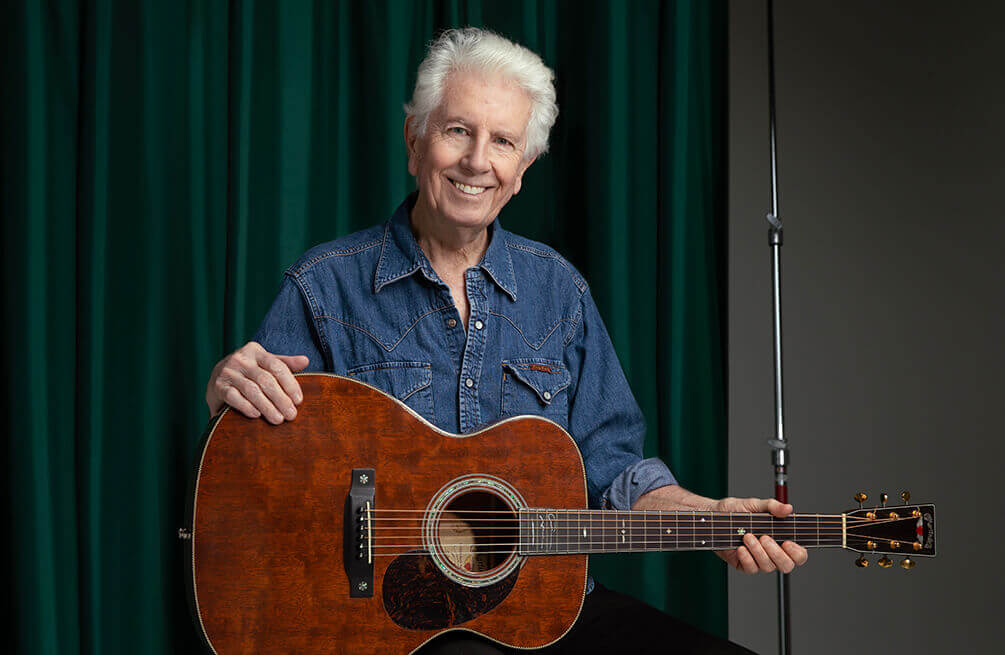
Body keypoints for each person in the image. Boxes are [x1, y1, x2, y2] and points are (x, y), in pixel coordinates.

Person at [204, 27, 807, 654]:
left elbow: (614, 470)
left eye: (503, 142)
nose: (476, 161)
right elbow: (247, 463)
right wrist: (225, 391)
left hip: (542, 612)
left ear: (522, 170)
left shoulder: (559, 292)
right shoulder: (325, 285)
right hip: (381, 623)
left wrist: (706, 520)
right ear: (414, 140)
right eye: (457, 131)